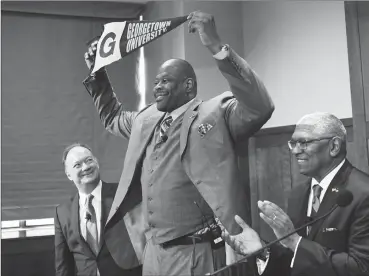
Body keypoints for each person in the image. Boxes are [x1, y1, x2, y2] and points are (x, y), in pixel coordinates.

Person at [83, 11, 274, 275]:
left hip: (196, 253)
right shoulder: (145, 119)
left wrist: (217, 47)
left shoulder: (215, 113)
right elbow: (113, 117)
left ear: (189, 86)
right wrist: (98, 72)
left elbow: (259, 107)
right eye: (156, 82)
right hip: (152, 253)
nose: (157, 87)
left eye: (166, 81)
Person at [222, 112, 369, 276]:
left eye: (304, 142)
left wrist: (295, 242)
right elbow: (294, 257)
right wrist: (263, 250)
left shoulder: (364, 192)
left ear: (334, 146)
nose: (295, 151)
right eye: (293, 143)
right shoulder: (298, 193)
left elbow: (362, 268)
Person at [54, 143, 142, 276]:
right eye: (77, 165)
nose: (86, 167)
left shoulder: (122, 194)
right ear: (69, 175)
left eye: (89, 160)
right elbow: (63, 263)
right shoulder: (62, 213)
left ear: (97, 162)